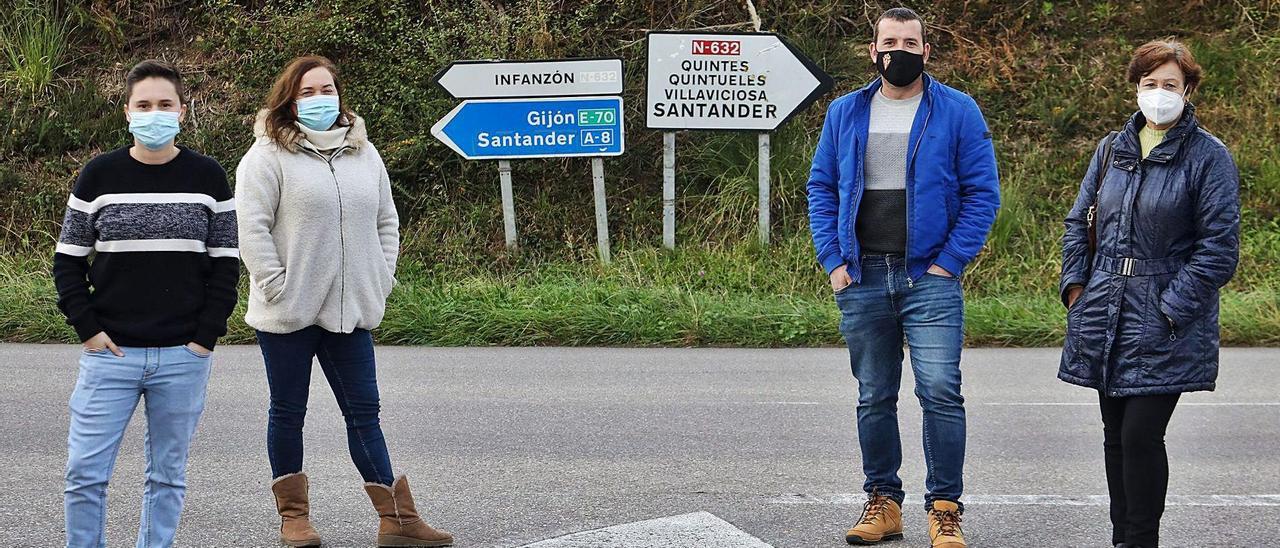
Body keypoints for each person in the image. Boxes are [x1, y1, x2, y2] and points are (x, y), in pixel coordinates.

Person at [235, 55, 452, 548]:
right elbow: (252, 228)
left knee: (364, 412)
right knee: (288, 411)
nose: (319, 99)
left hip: (351, 309)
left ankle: (397, 520)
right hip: (287, 312)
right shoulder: (265, 156)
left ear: (339, 94)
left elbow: (385, 221)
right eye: (308, 92)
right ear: (289, 100)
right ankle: (294, 518)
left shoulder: (364, 153)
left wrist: (381, 276)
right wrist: (275, 285)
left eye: (326, 89)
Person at [806, 7, 1000, 547]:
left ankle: (944, 510)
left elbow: (983, 194)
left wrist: (948, 263)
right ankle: (883, 503)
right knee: (874, 395)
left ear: (926, 51)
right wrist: (835, 263)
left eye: (910, 41)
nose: (900, 50)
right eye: (889, 41)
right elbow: (821, 188)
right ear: (873, 51)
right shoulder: (845, 112)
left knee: (940, 392)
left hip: (929, 278)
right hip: (863, 275)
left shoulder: (958, 111)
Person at [1058, 40, 1239, 548]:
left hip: (1163, 316)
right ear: (1136, 87)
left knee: (1141, 436)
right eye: (1150, 84)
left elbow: (1218, 251)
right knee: (1115, 437)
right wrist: (1076, 288)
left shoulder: (1208, 156)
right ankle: (1123, 539)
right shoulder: (1111, 148)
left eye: (1170, 85)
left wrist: (1170, 310)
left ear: (1188, 91)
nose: (1159, 94)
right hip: (1104, 307)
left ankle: (1141, 541)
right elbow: (1079, 221)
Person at [54, 59, 240, 548]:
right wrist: (89, 330)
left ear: (182, 110)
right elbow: (67, 263)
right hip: (108, 355)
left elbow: (225, 265)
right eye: (144, 105)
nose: (154, 113)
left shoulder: (209, 177)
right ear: (127, 112)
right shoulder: (99, 176)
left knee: (167, 478)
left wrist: (204, 338)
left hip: (183, 357)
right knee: (84, 476)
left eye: (164, 104)